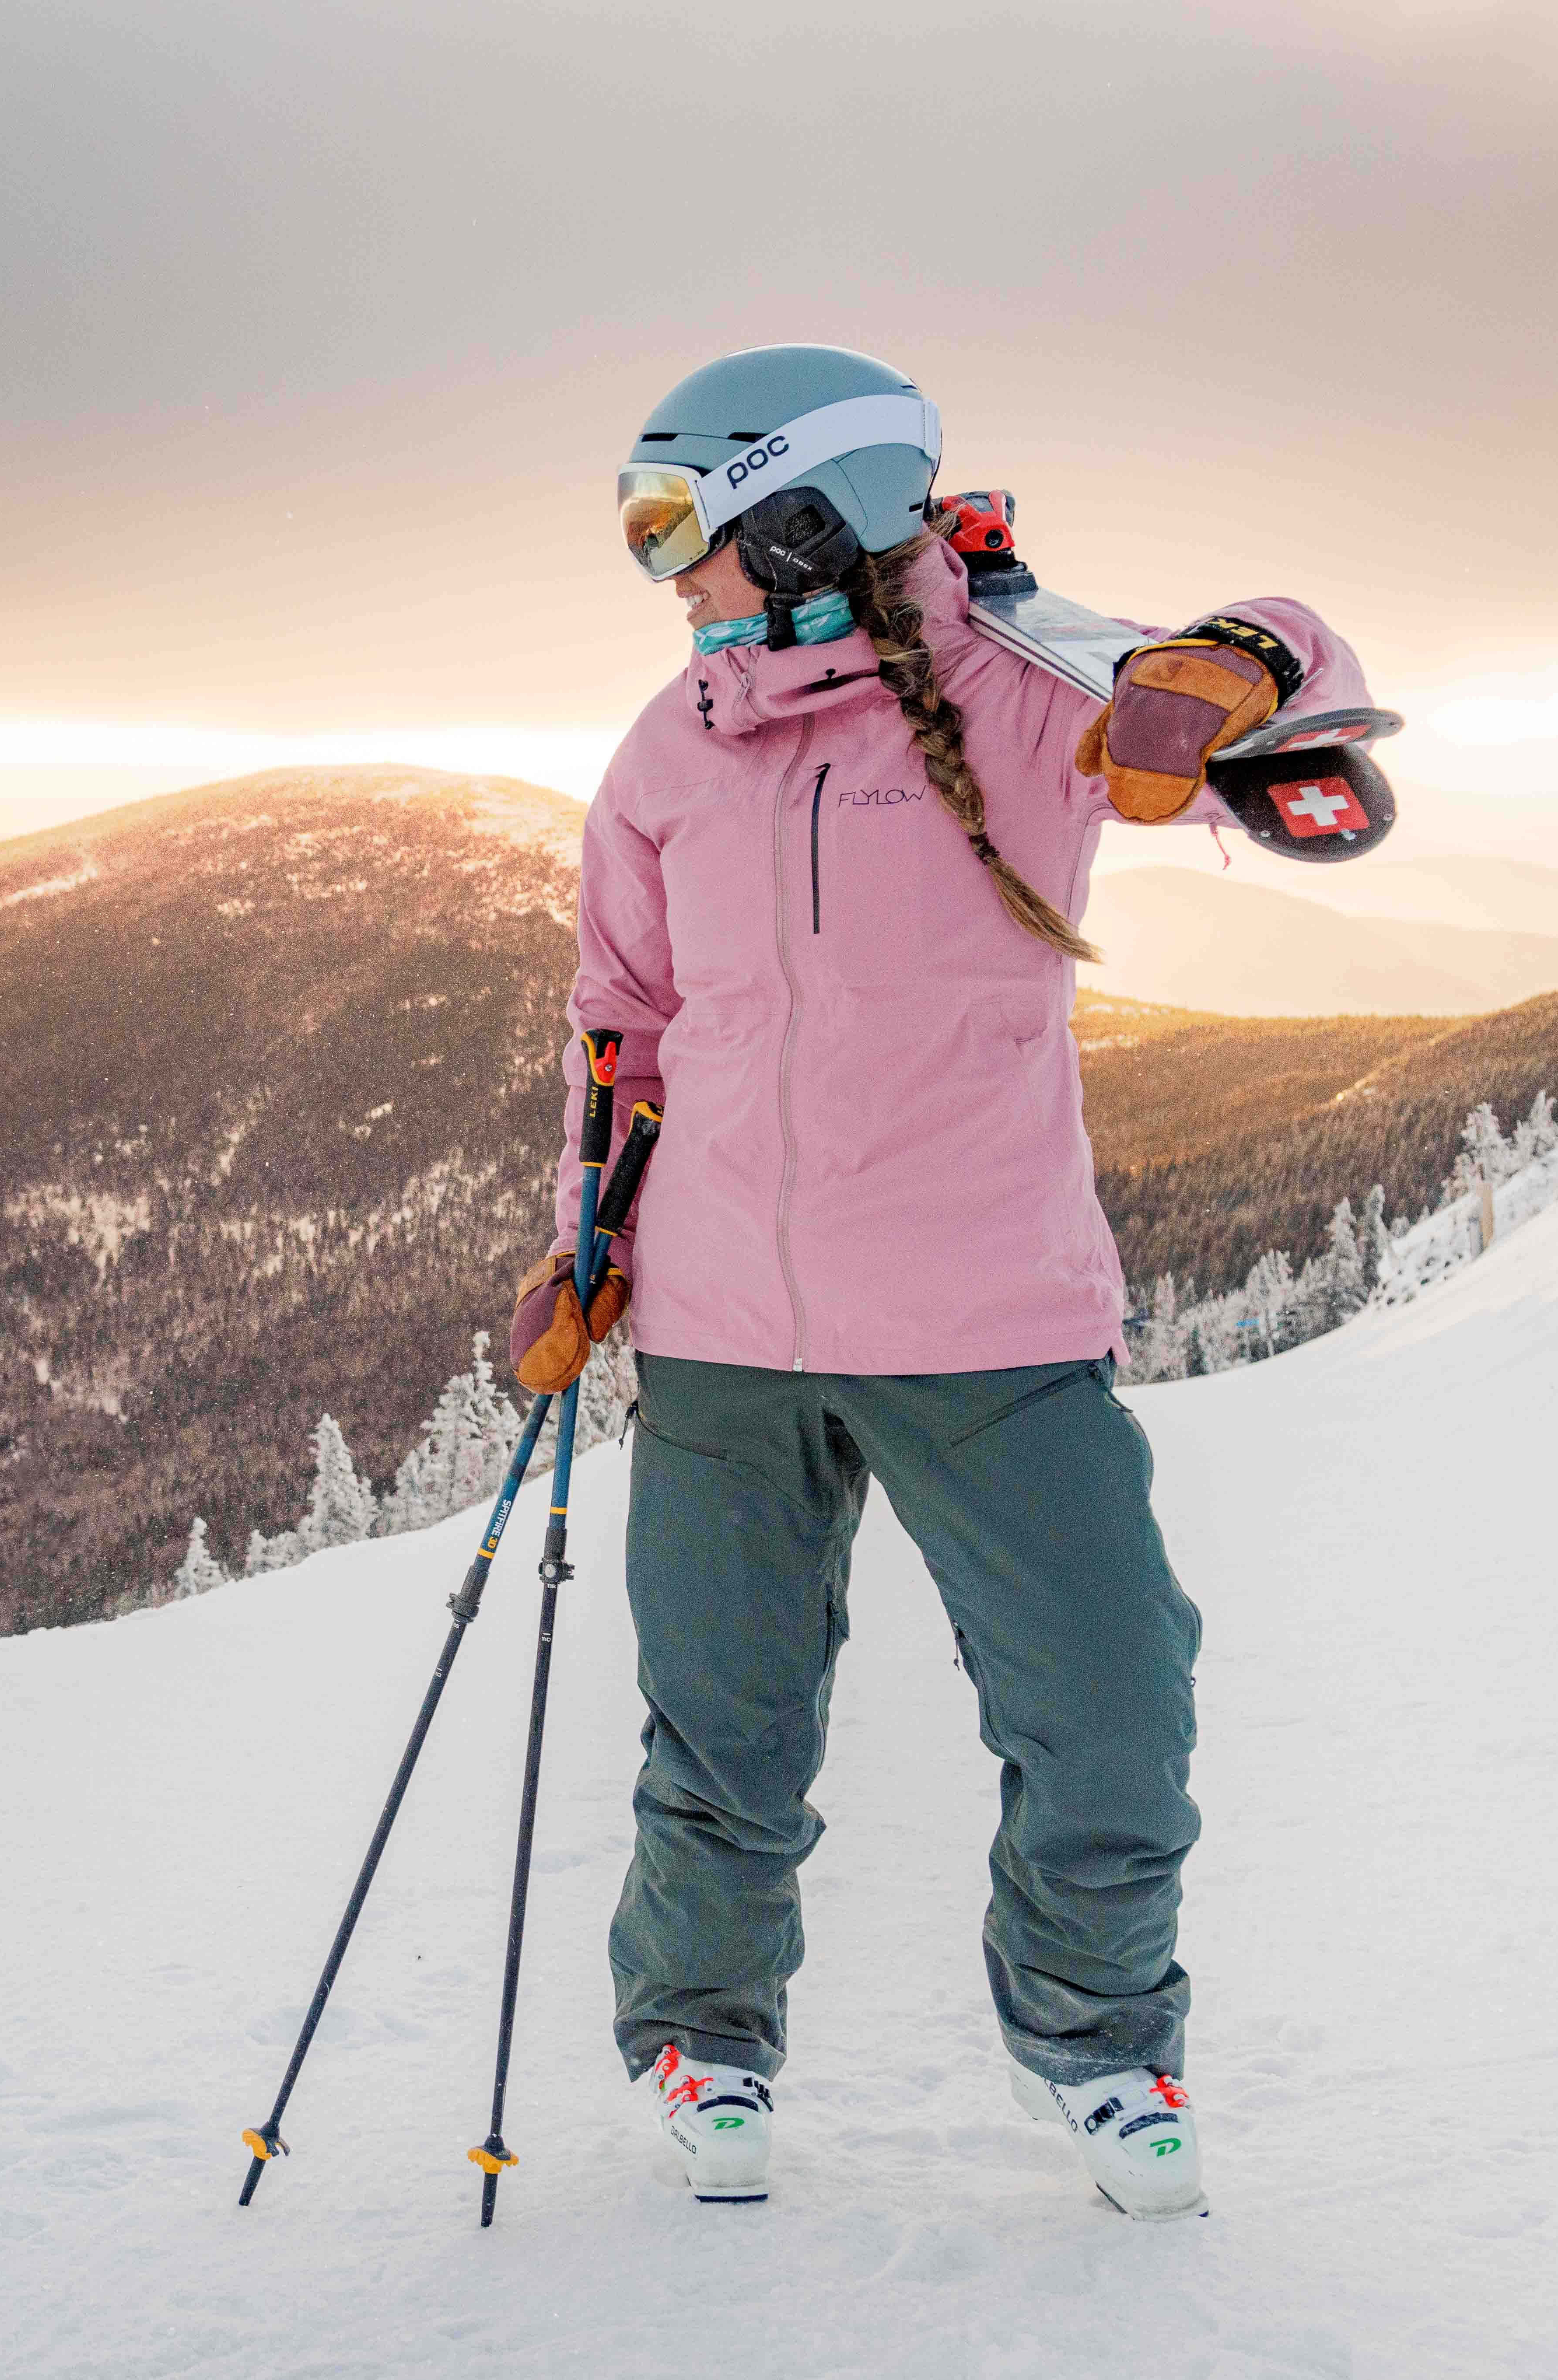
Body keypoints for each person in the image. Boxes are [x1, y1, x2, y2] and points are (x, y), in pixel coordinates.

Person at [505, 343, 1375, 2219]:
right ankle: (700, 2033)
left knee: (1111, 1706)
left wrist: (1237, 664)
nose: (659, 568)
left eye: (676, 523)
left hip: (986, 1316)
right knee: (722, 1726)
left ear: (805, 508)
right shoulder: (673, 744)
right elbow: (621, 1025)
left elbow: (1301, 711)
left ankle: (1092, 2038)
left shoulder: (1024, 675)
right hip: (723, 1324)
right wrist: (583, 1243)